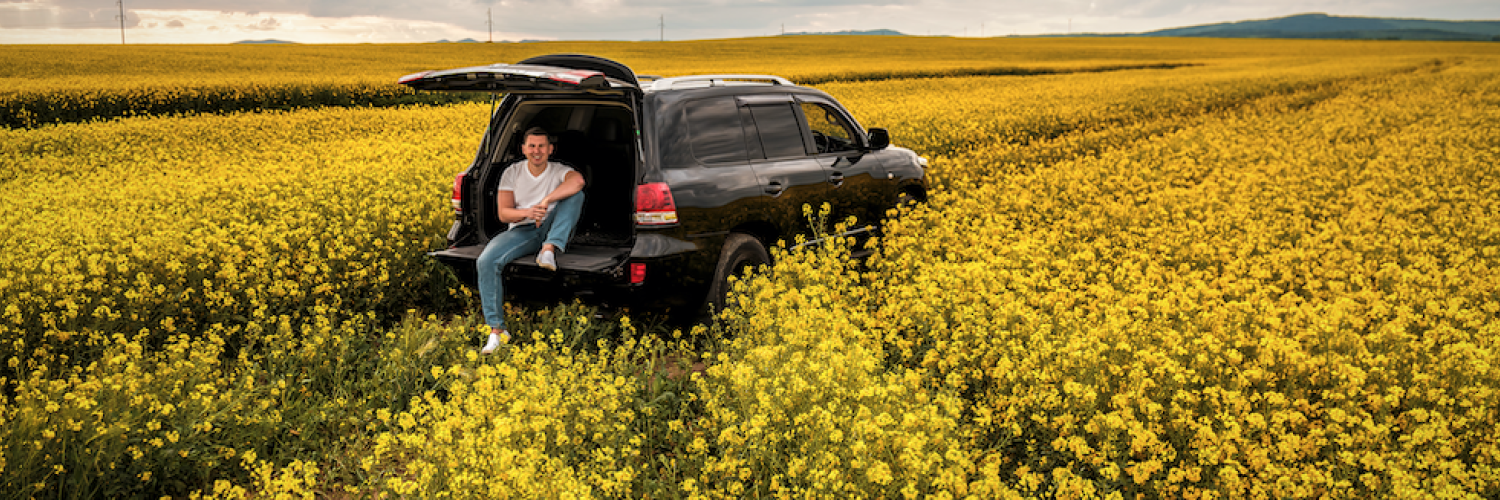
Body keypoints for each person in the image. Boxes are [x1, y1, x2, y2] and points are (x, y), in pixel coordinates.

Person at [475, 127, 585, 354]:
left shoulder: (558, 170)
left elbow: (578, 182)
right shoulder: (512, 172)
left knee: (576, 195)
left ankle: (549, 248)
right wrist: (527, 212)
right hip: (524, 229)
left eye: (542, 146)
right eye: (532, 146)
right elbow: (504, 214)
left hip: (554, 225)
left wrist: (546, 200)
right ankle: (497, 331)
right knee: (486, 260)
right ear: (523, 149)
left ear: (550, 149)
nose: (537, 151)